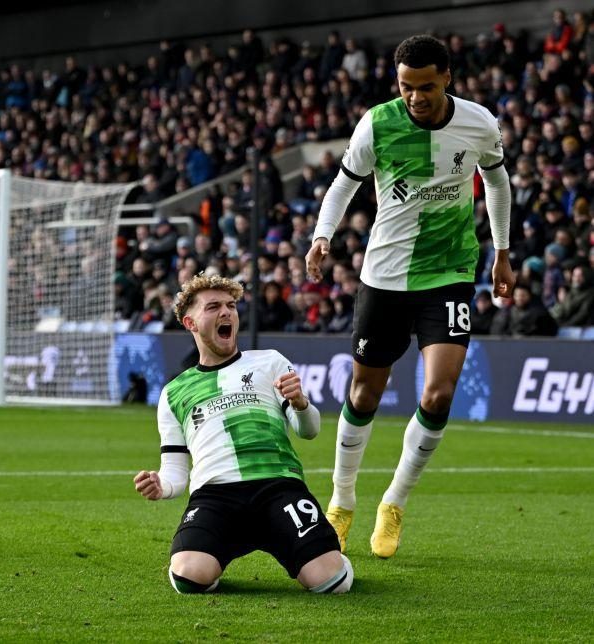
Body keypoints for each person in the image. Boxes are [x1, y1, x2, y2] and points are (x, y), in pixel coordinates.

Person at [305, 35, 514, 559]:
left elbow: (497, 181)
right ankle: (343, 499)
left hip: (449, 272)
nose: (415, 97)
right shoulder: (377, 123)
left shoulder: (479, 123)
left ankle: (394, 502)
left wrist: (503, 251)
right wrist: (321, 234)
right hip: (385, 276)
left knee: (439, 394)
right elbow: (343, 184)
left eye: (425, 86)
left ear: (446, 77)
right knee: (363, 396)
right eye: (406, 86)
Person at [133, 274, 353, 595]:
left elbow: (309, 430)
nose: (227, 313)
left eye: (231, 306)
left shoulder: (270, 362)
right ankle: (213, 556)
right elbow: (176, 473)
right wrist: (161, 486)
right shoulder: (173, 393)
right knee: (188, 578)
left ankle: (325, 556)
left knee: (331, 582)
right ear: (191, 322)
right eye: (214, 307)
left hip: (278, 486)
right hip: (215, 496)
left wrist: (301, 403)